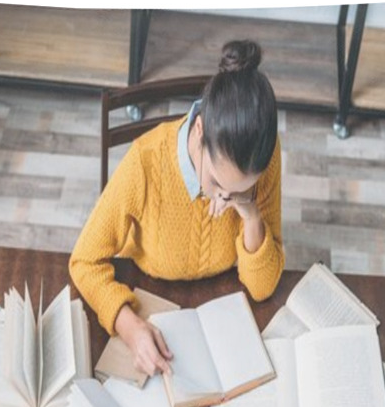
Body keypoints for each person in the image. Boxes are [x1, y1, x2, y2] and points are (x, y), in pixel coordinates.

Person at [69, 39, 284, 376]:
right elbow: (83, 261)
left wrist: (251, 213)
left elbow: (262, 288)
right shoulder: (145, 162)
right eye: (216, 183)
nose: (223, 200)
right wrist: (128, 325)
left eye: (241, 190)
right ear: (199, 131)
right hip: (150, 292)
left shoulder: (264, 159)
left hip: (223, 308)